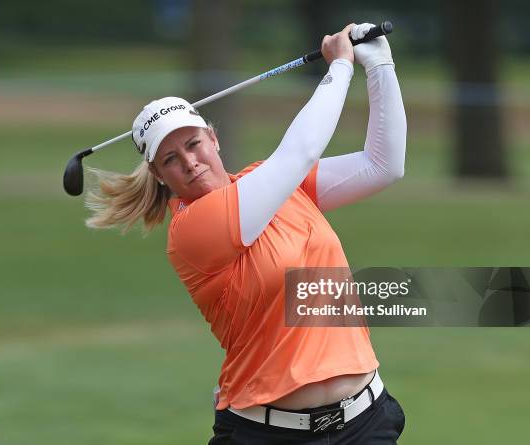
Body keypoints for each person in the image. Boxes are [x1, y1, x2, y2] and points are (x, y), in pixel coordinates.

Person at [85, 22, 407, 445]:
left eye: (193, 143)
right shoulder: (193, 231)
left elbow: (382, 165)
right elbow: (299, 152)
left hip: (366, 423)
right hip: (268, 434)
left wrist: (380, 65)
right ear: (159, 176)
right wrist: (340, 68)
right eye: (170, 158)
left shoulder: (272, 183)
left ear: (214, 139)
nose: (189, 161)